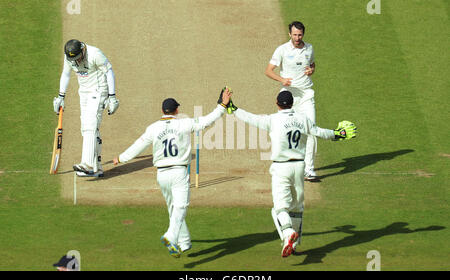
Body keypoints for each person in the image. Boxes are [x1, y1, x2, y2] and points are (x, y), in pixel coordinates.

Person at [226, 91, 356, 257]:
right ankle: (293, 245)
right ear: (292, 103)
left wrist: (232, 108)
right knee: (296, 207)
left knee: (280, 208)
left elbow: (251, 118)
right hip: (299, 167)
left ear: (277, 103)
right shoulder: (302, 119)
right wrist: (338, 134)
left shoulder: (273, 120)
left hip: (281, 168)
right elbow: (319, 132)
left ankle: (288, 235)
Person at [112, 88, 232, 258]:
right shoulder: (183, 123)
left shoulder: (153, 128)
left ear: (162, 111)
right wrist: (222, 106)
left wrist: (121, 158)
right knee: (181, 207)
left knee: (173, 209)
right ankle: (170, 236)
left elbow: (138, 145)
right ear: (177, 110)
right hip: (178, 172)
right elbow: (207, 121)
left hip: (162, 174)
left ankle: (184, 243)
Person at [53, 39, 119, 177]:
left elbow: (109, 72)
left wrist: (112, 97)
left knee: (90, 125)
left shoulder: (95, 54)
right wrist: (61, 96)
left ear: (82, 49)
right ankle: (97, 167)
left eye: (78, 58)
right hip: (84, 93)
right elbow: (66, 74)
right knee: (87, 129)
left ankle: (87, 165)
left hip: (99, 90)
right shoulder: (69, 58)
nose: (76, 62)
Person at [265, 21, 319, 181]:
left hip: (306, 95)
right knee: (283, 130)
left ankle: (309, 169)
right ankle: (282, 164)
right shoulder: (282, 50)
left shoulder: (309, 48)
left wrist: (312, 70)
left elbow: (312, 64)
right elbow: (268, 71)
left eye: (300, 35)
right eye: (294, 34)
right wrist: (282, 79)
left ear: (303, 34)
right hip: (288, 96)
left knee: (310, 131)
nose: (297, 38)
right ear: (290, 34)